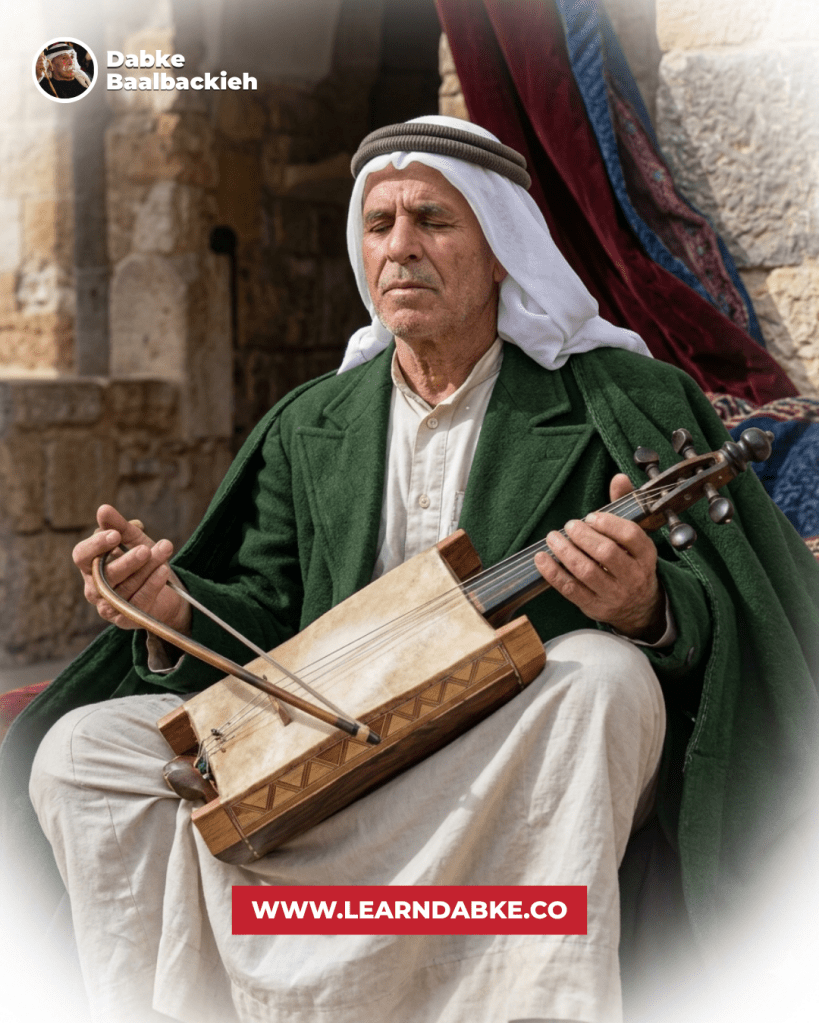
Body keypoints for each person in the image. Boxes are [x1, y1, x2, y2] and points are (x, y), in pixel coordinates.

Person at [4, 116, 818, 1023]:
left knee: (603, 677)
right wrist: (174, 613)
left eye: (433, 220)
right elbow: (268, 617)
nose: (400, 248)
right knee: (85, 754)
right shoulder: (311, 422)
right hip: (321, 751)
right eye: (379, 224)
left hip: (489, 768)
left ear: (504, 247)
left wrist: (646, 610)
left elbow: (734, 605)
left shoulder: (618, 400)